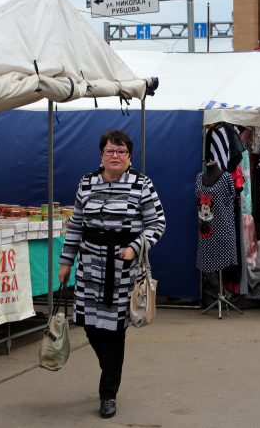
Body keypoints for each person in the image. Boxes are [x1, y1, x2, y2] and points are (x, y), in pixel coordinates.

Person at [58, 130, 166, 419]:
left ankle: (108, 393)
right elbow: (76, 225)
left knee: (114, 331)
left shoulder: (141, 184)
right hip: (89, 265)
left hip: (122, 268)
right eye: (110, 151)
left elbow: (157, 223)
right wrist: (66, 261)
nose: (115, 156)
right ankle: (110, 368)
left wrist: (134, 247)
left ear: (129, 156)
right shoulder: (87, 182)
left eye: (121, 152)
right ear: (101, 155)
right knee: (91, 326)